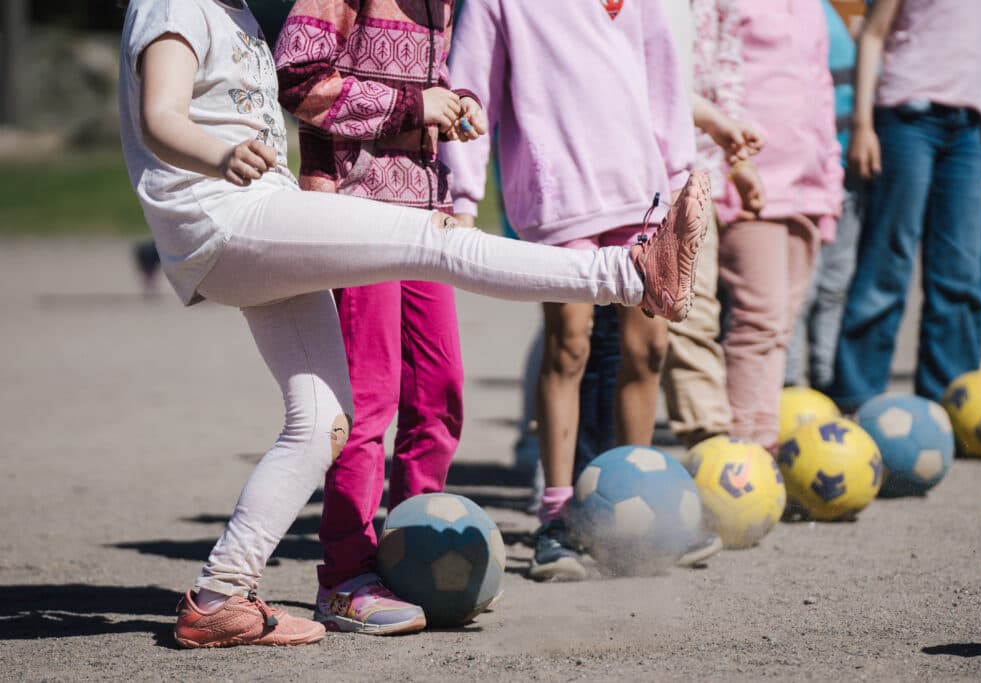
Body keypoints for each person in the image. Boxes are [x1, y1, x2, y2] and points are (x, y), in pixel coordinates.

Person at [119, 0, 710, 647]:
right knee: (440, 243)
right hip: (228, 216)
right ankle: (632, 274)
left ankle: (219, 595)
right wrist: (221, 152)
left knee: (322, 421)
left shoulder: (243, 19)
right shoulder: (176, 3)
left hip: (260, 218)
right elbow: (160, 115)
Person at [441, 0, 697, 582]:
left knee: (647, 351)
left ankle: (640, 507)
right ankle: (556, 518)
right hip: (559, 198)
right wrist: (461, 195)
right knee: (570, 345)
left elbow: (664, 78)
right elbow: (471, 89)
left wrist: (682, 180)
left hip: (645, 196)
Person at [274, 0, 476, 635]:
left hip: (422, 218)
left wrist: (452, 103)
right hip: (355, 216)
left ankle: (412, 553)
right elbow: (298, 81)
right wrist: (416, 108)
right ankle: (344, 577)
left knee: (440, 391)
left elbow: (422, 91)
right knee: (368, 398)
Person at [829, 0, 981, 412]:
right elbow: (873, 34)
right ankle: (857, 398)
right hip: (907, 118)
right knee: (888, 262)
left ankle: (951, 399)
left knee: (960, 271)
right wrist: (862, 125)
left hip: (968, 127)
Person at [717, 0, 843, 451]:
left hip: (807, 189)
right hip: (754, 186)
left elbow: (821, 92)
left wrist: (829, 184)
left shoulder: (812, 8)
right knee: (758, 321)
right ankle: (743, 453)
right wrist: (730, 170)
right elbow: (715, 81)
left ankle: (763, 443)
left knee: (781, 327)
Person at [661, 0, 764, 452]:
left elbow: (728, 70)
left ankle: (709, 443)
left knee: (694, 310)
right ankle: (557, 453)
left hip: (697, 168)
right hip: (626, 170)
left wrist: (737, 156)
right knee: (590, 331)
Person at [784, 1, 862, 391]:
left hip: (847, 174)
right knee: (803, 289)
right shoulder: (800, 13)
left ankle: (826, 380)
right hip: (805, 181)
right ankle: (790, 387)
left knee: (835, 286)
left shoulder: (846, 13)